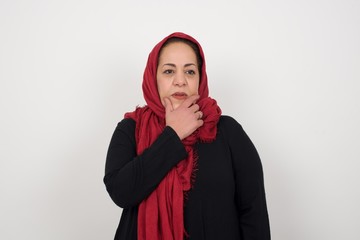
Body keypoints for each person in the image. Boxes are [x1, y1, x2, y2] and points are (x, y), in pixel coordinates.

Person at [104, 32, 271, 240]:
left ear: (200, 79)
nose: (180, 81)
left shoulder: (228, 132)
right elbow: (122, 192)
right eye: (168, 71)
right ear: (152, 77)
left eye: (190, 71)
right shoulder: (131, 129)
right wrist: (172, 135)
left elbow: (253, 215)